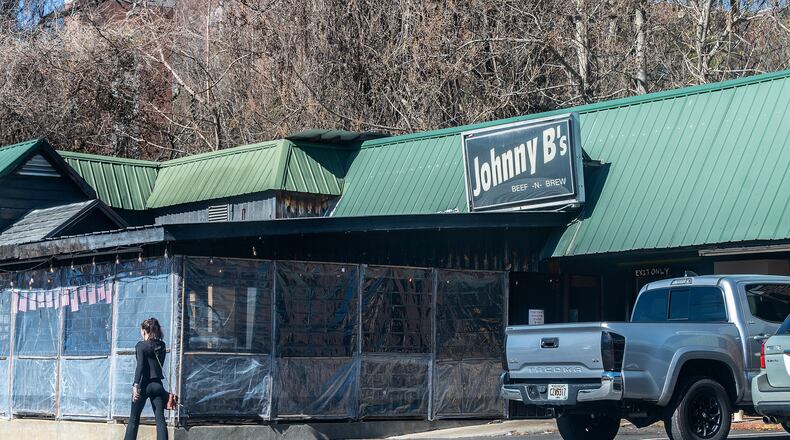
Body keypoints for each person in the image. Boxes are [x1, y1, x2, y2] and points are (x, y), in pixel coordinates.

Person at [124, 317, 169, 440]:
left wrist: (135, 386)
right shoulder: (162, 345)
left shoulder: (141, 346)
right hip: (157, 385)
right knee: (160, 419)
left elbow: (140, 367)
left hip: (143, 385)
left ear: (144, 331)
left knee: (134, 419)